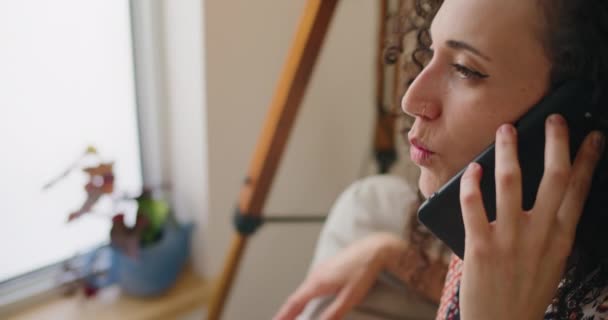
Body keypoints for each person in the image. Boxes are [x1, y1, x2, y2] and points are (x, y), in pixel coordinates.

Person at [274, 0, 608, 319]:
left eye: (466, 69)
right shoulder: (496, 210)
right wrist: (395, 256)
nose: (410, 99)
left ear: (579, 107)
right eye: (431, 51)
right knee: (368, 204)